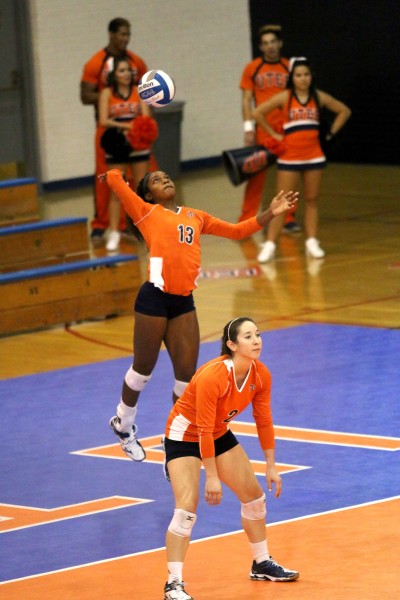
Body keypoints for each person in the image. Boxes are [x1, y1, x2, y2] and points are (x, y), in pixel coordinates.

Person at [99, 169, 298, 462]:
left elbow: (237, 231)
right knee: (143, 370)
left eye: (167, 176)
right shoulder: (145, 212)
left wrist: (270, 212)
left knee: (185, 381)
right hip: (154, 298)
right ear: (148, 195)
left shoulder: (195, 216)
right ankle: (123, 423)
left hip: (183, 303)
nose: (165, 179)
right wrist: (114, 174)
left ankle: (175, 447)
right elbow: (117, 183)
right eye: (156, 180)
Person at [162, 317, 299, 600]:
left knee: (254, 497)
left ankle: (261, 563)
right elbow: (202, 429)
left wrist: (271, 466)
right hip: (184, 435)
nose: (256, 340)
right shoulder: (213, 375)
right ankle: (173, 584)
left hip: (218, 431)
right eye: (248, 336)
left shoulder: (261, 374)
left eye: (258, 334)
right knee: (186, 509)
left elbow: (264, 419)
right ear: (232, 345)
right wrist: (211, 476)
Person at [254, 57, 351, 262]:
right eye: (298, 75)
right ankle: (270, 244)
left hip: (314, 155)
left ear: (311, 76)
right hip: (290, 157)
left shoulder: (318, 96)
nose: (303, 78)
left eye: (306, 74)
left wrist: (331, 133)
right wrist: (274, 134)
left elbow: (344, 110)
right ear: (292, 78)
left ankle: (312, 242)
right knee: (282, 203)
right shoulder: (285, 97)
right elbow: (258, 113)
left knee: (312, 200)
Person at [80, 17, 148, 243]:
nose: (125, 39)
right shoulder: (95, 63)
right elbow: (84, 95)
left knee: (141, 180)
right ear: (111, 34)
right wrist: (110, 95)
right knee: (106, 179)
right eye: (121, 34)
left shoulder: (137, 62)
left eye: (128, 34)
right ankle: (102, 224)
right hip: (109, 131)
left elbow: (147, 91)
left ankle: (133, 224)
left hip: (136, 132)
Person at [238, 24, 300, 234]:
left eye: (273, 42)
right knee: (256, 175)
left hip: (287, 129)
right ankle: (247, 219)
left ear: (280, 44)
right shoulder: (252, 68)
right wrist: (248, 129)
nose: (270, 46)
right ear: (260, 47)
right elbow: (246, 100)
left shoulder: (289, 67)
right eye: (265, 43)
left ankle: (288, 217)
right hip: (263, 128)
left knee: (289, 174)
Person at [98, 57, 155, 251]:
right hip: (117, 144)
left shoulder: (140, 91)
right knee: (117, 189)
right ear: (114, 75)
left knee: (141, 190)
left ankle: (145, 231)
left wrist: (136, 130)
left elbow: (146, 117)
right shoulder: (106, 93)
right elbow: (104, 120)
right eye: (122, 70)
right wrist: (126, 126)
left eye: (129, 70)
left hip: (139, 145)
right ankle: (114, 232)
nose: (127, 74)